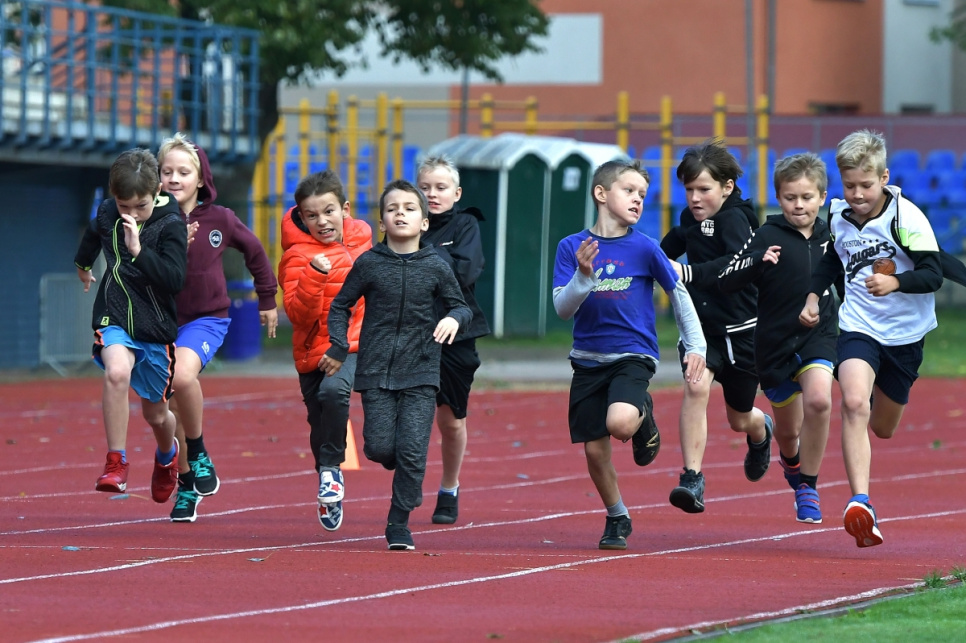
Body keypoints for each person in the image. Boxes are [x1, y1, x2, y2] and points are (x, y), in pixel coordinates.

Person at [800, 130, 946, 547]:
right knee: (852, 403)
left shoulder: (906, 217)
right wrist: (812, 296)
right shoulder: (839, 216)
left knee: (882, 428)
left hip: (905, 335)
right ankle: (861, 502)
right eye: (850, 186)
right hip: (859, 326)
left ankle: (884, 399)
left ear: (884, 178)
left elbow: (933, 274)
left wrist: (896, 282)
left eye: (866, 185)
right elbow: (832, 262)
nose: (858, 194)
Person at [552, 159, 706, 550]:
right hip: (587, 357)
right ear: (601, 194)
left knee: (620, 423)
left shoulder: (645, 247)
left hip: (633, 354)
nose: (638, 199)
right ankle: (617, 515)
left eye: (642, 194)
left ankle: (641, 414)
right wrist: (583, 276)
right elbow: (562, 309)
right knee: (594, 450)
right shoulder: (571, 247)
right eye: (629, 191)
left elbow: (678, 295)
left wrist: (696, 346)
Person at [322, 179, 471, 551]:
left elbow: (461, 306)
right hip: (376, 371)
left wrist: (453, 319)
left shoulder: (437, 265)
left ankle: (398, 522)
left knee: (412, 450)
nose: (400, 214)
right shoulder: (369, 264)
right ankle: (407, 470)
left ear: (424, 222)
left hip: (422, 369)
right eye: (392, 209)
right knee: (379, 448)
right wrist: (339, 344)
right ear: (382, 221)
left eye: (409, 208)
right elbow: (340, 306)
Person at [157, 133, 279, 523]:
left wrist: (267, 298)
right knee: (169, 409)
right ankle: (187, 484)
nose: (174, 178)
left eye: (183, 172)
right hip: (159, 323)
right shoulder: (148, 220)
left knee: (181, 376)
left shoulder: (220, 219)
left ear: (201, 178)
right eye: (166, 171)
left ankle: (198, 451)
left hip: (206, 319)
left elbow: (255, 251)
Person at [719, 153, 837, 523]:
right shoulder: (766, 236)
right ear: (778, 197)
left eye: (807, 197)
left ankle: (808, 486)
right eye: (790, 197)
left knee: (820, 401)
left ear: (822, 197)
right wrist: (757, 261)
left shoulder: (834, 236)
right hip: (774, 347)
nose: (799, 204)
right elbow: (727, 279)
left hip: (818, 336)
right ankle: (790, 461)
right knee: (789, 434)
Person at [659, 139, 774, 515]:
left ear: (727, 187)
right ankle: (692, 478)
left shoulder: (738, 220)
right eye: (689, 189)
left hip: (742, 333)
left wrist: (687, 272)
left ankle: (761, 431)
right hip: (702, 331)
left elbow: (733, 266)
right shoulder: (690, 219)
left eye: (703, 189)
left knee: (739, 418)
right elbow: (663, 252)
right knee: (696, 387)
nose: (694, 198)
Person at [73, 148, 187, 504]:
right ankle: (116, 462)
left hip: (155, 326)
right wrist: (83, 265)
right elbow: (94, 233)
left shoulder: (171, 224)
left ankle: (167, 456)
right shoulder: (109, 212)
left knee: (157, 415)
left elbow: (174, 279)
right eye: (125, 206)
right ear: (113, 197)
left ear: (157, 193)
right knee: (117, 372)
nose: (132, 214)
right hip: (115, 314)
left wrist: (139, 251)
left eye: (141, 206)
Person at [278, 170, 372, 532]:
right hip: (311, 353)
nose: (322, 221)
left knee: (334, 392)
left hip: (353, 344)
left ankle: (332, 471)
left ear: (344, 209)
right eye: (312, 215)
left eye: (329, 211)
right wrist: (315, 275)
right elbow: (297, 315)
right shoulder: (296, 256)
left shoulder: (364, 241)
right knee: (319, 423)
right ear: (302, 218)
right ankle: (328, 481)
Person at [415, 155, 491, 525]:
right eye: (425, 187)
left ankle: (449, 487)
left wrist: (421, 261)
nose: (432, 194)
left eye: (440, 187)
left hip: (456, 335)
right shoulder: (403, 222)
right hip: (411, 333)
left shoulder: (466, 224)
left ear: (456, 193)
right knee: (408, 416)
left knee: (450, 422)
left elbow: (464, 271)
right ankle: (408, 486)